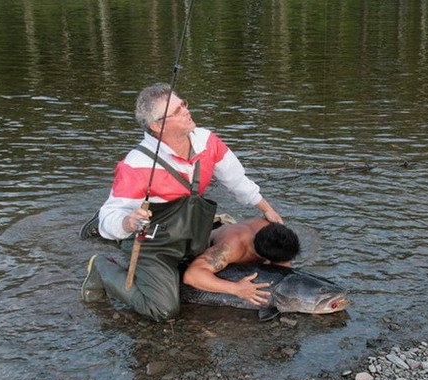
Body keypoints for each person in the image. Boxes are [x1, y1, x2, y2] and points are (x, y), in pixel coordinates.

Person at [81, 82, 282, 321]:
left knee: (263, 244)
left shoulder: (207, 141)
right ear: (157, 126)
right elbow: (109, 216)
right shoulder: (136, 164)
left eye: (183, 104)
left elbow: (237, 181)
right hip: (155, 245)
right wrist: (128, 221)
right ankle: (102, 268)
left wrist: (268, 210)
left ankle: (181, 263)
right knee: (162, 310)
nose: (186, 110)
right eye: (176, 111)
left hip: (192, 236)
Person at [182, 217, 300, 305]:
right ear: (264, 258)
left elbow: (284, 267)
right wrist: (236, 289)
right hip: (209, 239)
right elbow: (192, 275)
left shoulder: (274, 228)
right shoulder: (230, 248)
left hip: (235, 229)